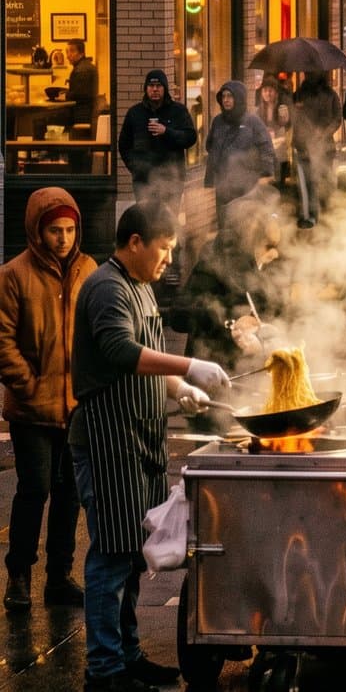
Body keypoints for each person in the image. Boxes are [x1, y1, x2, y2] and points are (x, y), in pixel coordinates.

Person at [70, 203, 231, 692]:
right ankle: (104, 669)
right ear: (135, 242)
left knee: (133, 552)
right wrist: (186, 367)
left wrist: (176, 391)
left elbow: (142, 362)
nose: (168, 259)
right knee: (110, 556)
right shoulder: (106, 287)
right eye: (163, 248)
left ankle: (128, 653)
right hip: (106, 440)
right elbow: (118, 351)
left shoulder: (140, 287)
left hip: (139, 436)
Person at [0, 188, 97, 610]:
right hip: (31, 409)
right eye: (55, 229)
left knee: (69, 494)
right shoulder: (13, 275)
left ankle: (59, 576)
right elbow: (2, 341)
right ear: (38, 230)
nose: (63, 238)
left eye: (70, 229)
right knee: (34, 489)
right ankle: (18, 576)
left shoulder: (89, 270)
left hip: (76, 406)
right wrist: (28, 383)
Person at [171, 197, 284, 371]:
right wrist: (229, 323)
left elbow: (269, 310)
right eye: (268, 246)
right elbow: (179, 316)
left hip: (248, 370)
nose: (275, 254)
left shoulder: (259, 268)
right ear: (249, 241)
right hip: (212, 369)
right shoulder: (212, 264)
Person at [115, 70, 197, 211]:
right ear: (146, 88)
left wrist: (167, 132)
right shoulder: (135, 113)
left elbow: (190, 137)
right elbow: (123, 144)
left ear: (165, 88)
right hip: (143, 180)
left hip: (172, 180)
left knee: (169, 223)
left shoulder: (178, 111)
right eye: (151, 86)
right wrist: (135, 167)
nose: (154, 89)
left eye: (159, 86)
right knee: (146, 222)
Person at [201, 81, 275, 219]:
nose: (226, 100)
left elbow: (266, 148)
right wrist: (210, 179)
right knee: (224, 224)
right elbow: (210, 147)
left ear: (239, 98)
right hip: (223, 185)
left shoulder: (252, 121)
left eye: (230, 96)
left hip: (246, 184)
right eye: (223, 96)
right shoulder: (218, 121)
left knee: (243, 224)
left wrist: (266, 174)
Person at [289, 74, 341, 227]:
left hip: (324, 147)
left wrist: (323, 133)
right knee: (307, 182)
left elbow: (337, 118)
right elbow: (291, 117)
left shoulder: (331, 95)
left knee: (322, 180)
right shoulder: (299, 94)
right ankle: (311, 215)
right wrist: (295, 108)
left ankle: (325, 213)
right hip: (303, 144)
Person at [64, 40, 100, 134]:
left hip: (80, 115)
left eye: (72, 51)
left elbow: (80, 94)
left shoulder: (81, 70)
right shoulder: (87, 66)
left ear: (81, 53)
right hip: (87, 113)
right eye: (67, 52)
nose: (68, 55)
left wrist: (65, 95)